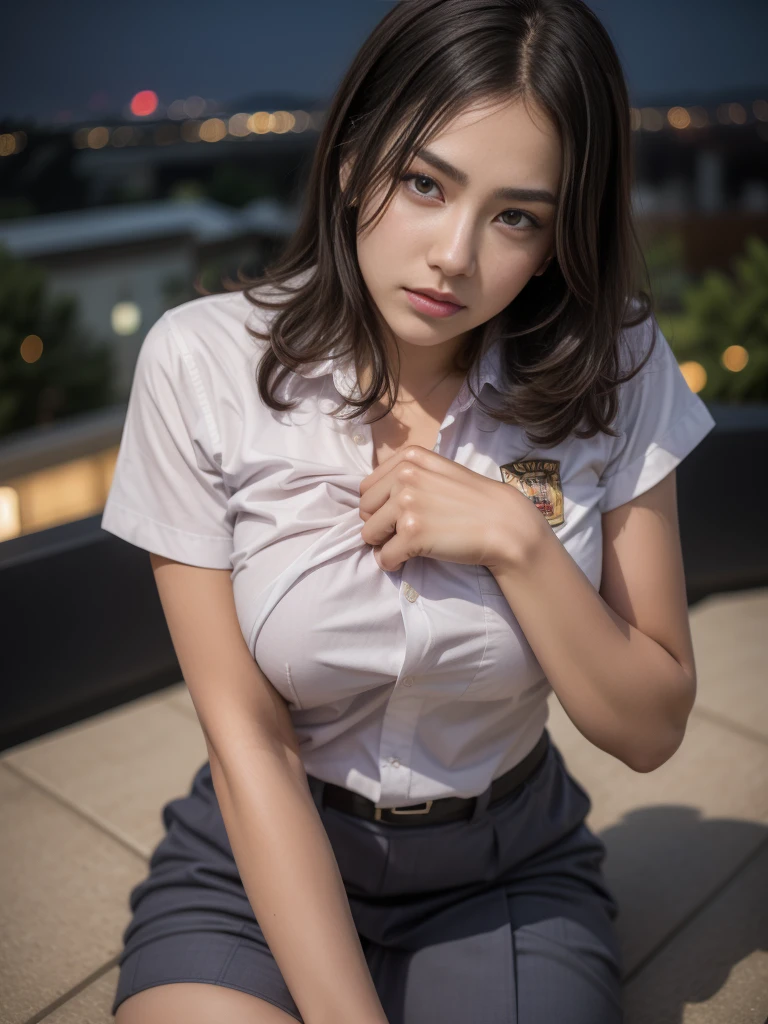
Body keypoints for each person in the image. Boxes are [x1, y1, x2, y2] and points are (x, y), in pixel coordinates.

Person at [101, 0, 716, 1021]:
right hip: (262, 847)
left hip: (502, 867)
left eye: (516, 214)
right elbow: (249, 739)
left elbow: (651, 726)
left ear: (560, 236)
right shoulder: (200, 362)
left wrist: (516, 540)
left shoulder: (623, 367)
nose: (455, 256)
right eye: (426, 184)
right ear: (351, 160)